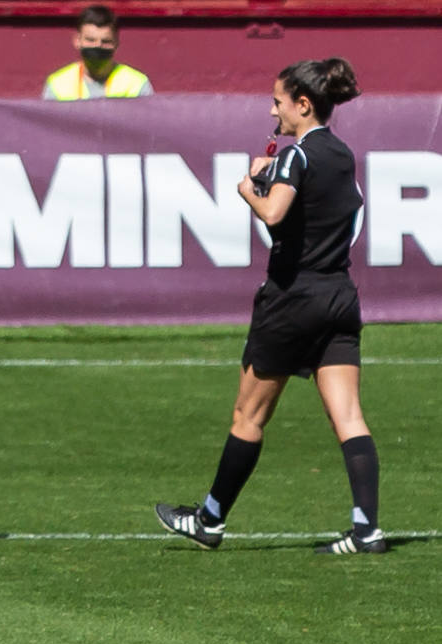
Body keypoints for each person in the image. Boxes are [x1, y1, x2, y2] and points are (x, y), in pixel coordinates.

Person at [154, 58, 383, 555]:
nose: (272, 109)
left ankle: (209, 520)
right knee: (349, 417)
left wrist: (248, 189)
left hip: (292, 299)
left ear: (304, 104)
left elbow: (275, 213)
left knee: (248, 416)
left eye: (278, 101)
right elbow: (322, 218)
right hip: (339, 295)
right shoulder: (342, 153)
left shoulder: (298, 154)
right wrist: (272, 181)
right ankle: (367, 529)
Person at [42, 5, 153, 101]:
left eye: (105, 41)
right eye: (90, 40)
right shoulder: (58, 84)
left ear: (116, 44)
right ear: (77, 41)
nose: (98, 46)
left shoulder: (136, 84)